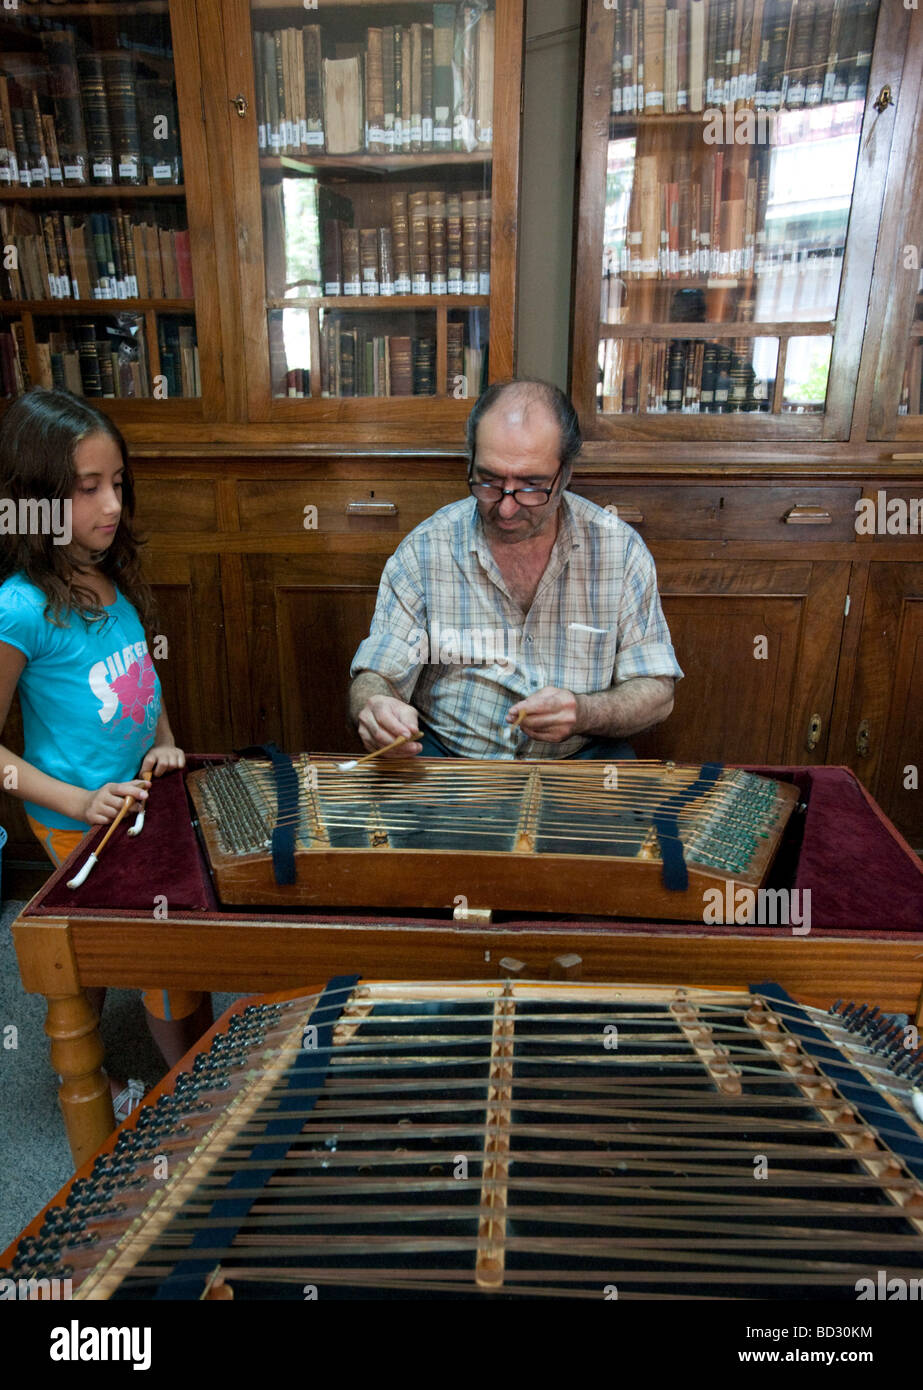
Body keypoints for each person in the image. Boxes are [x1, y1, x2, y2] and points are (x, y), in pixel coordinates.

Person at [0, 387, 210, 1118]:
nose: (112, 504)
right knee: (159, 960)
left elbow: (141, 681)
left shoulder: (104, 569)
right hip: (77, 819)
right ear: (35, 497)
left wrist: (166, 743)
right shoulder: (20, 607)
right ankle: (196, 1098)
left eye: (117, 482)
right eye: (88, 488)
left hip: (135, 802)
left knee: (103, 945)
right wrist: (79, 803)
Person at [350, 379, 683, 760]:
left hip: (578, 758)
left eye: (531, 486)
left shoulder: (620, 551)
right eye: (489, 481)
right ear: (470, 461)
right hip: (452, 764)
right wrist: (374, 706)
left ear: (566, 473)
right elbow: (377, 674)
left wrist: (584, 711)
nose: (506, 508)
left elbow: (657, 693)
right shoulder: (425, 548)